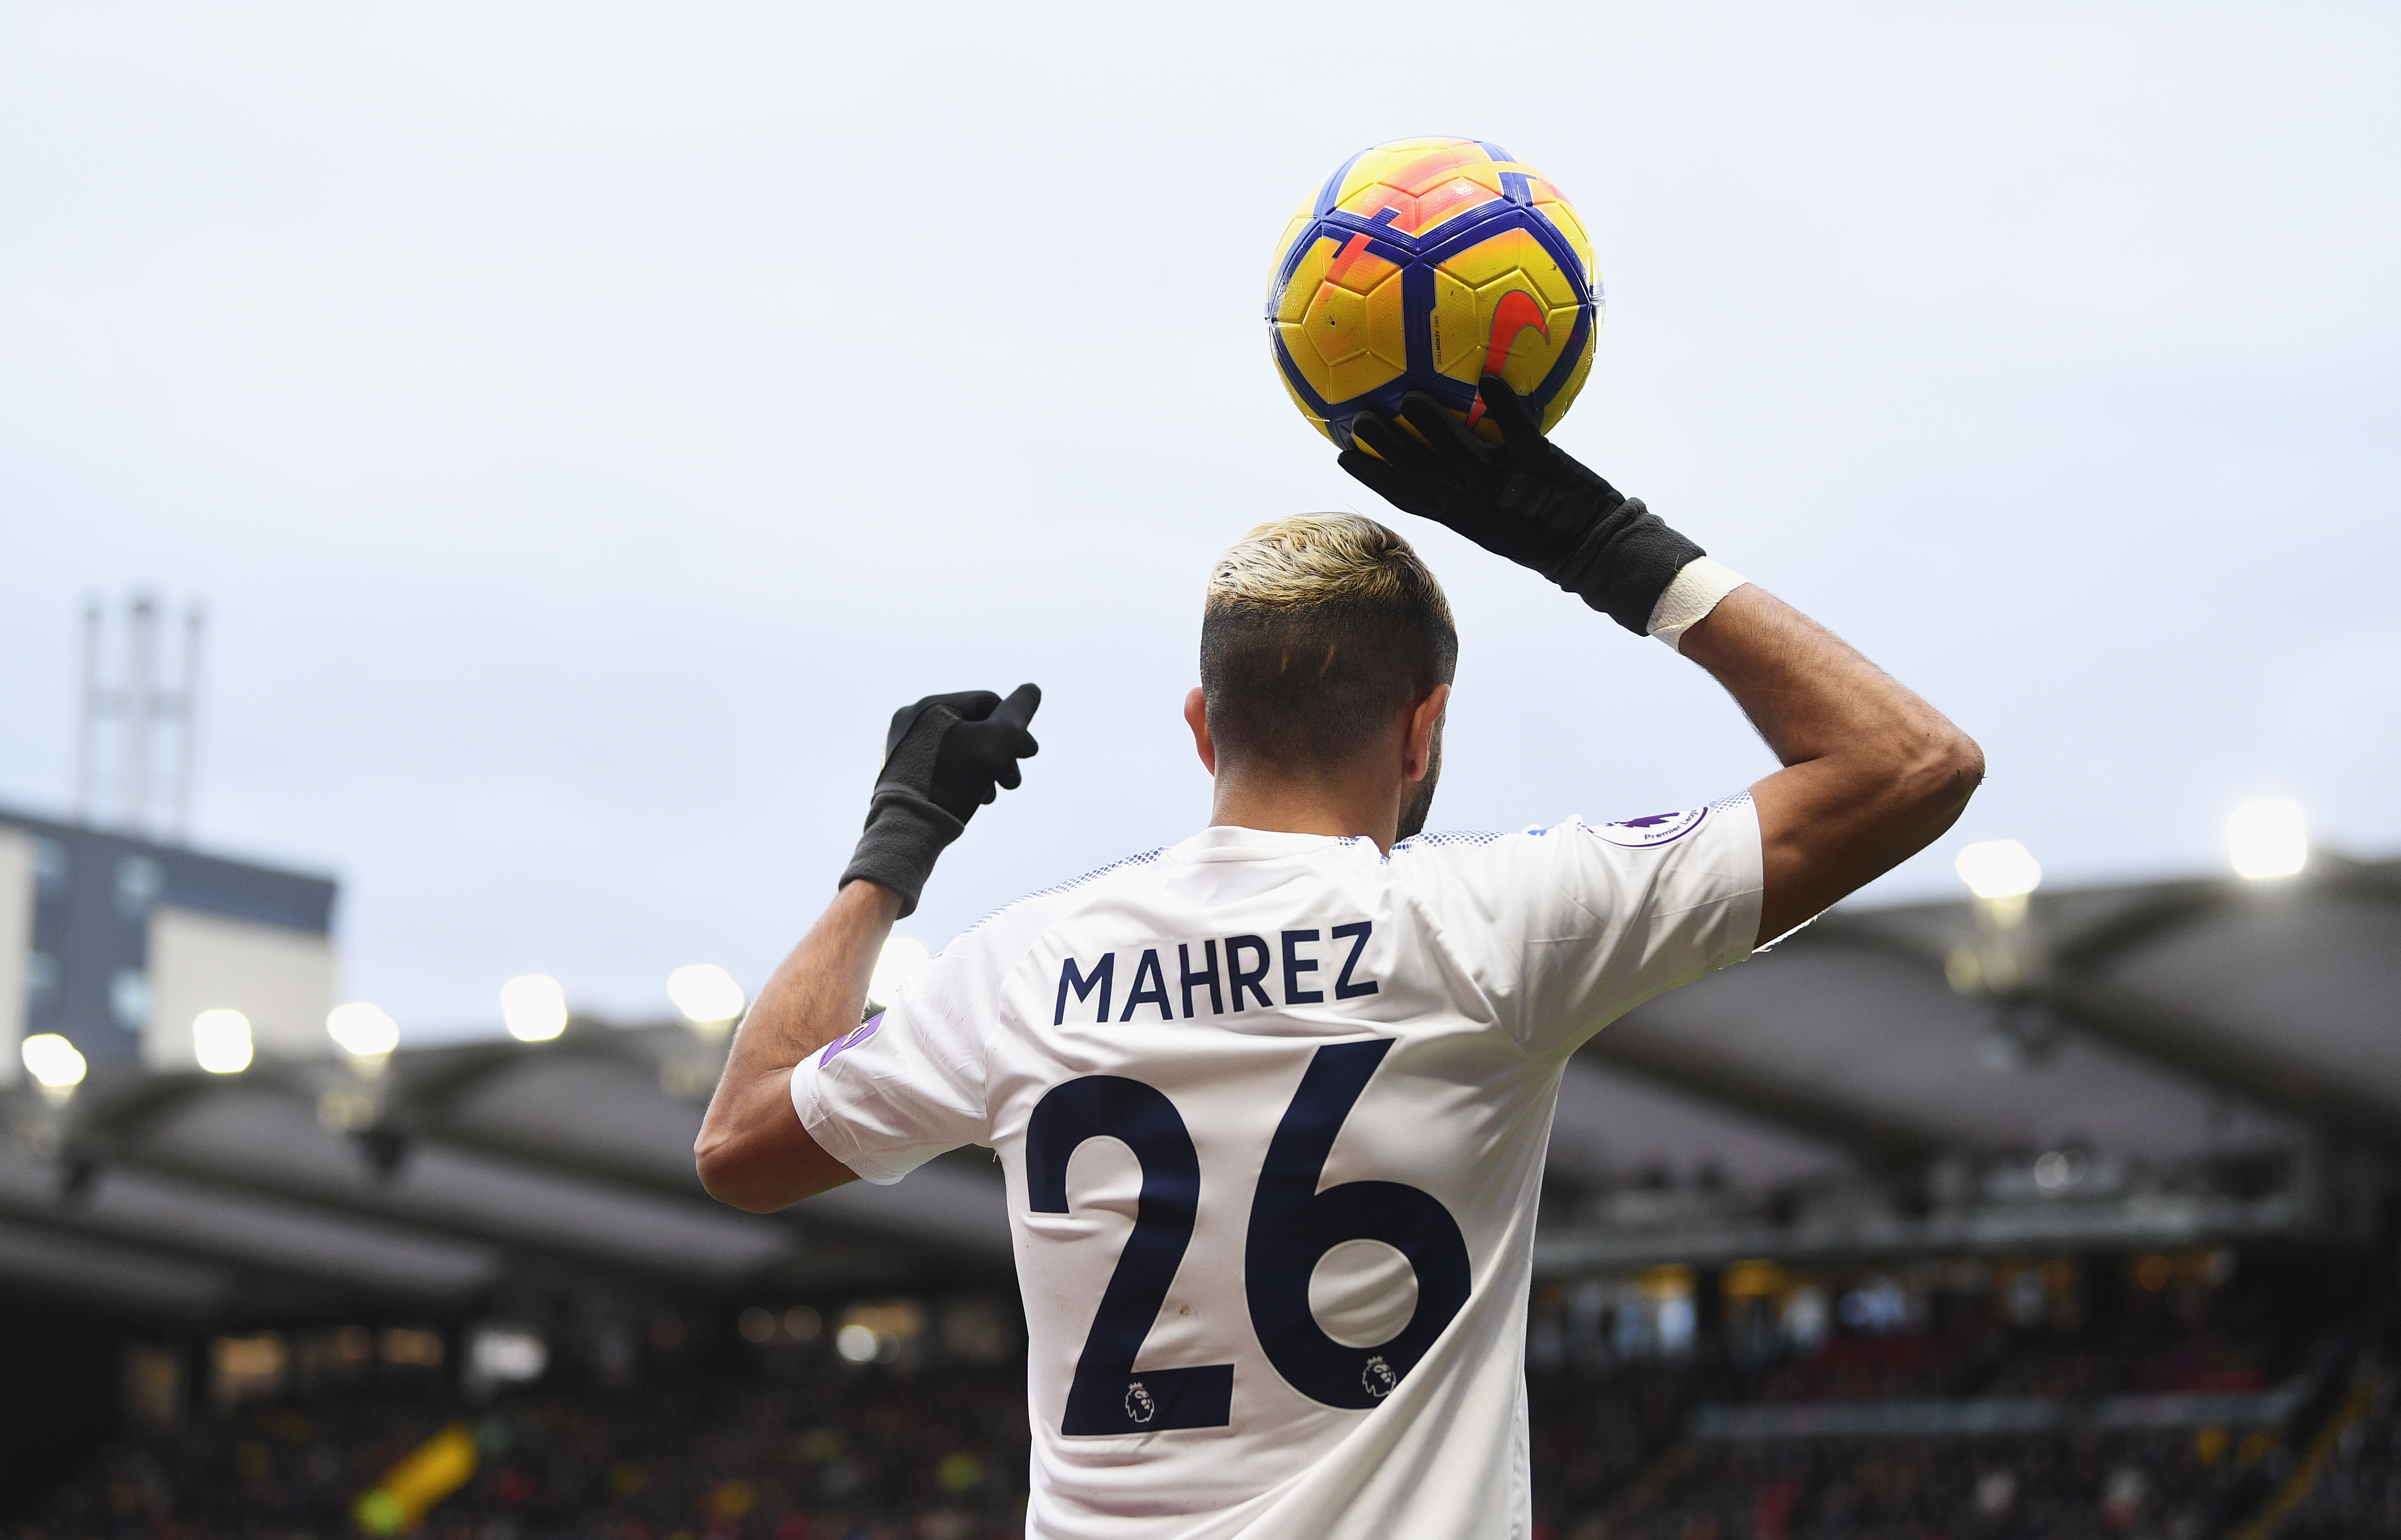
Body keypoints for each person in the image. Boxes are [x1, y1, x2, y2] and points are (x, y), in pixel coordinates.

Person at [696, 376, 1982, 1539]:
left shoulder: (1022, 969)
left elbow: (743, 1143)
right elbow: (1910, 766)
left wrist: (894, 847)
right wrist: (1603, 544)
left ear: (1203, 728)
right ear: (1422, 729)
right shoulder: (1492, 924)